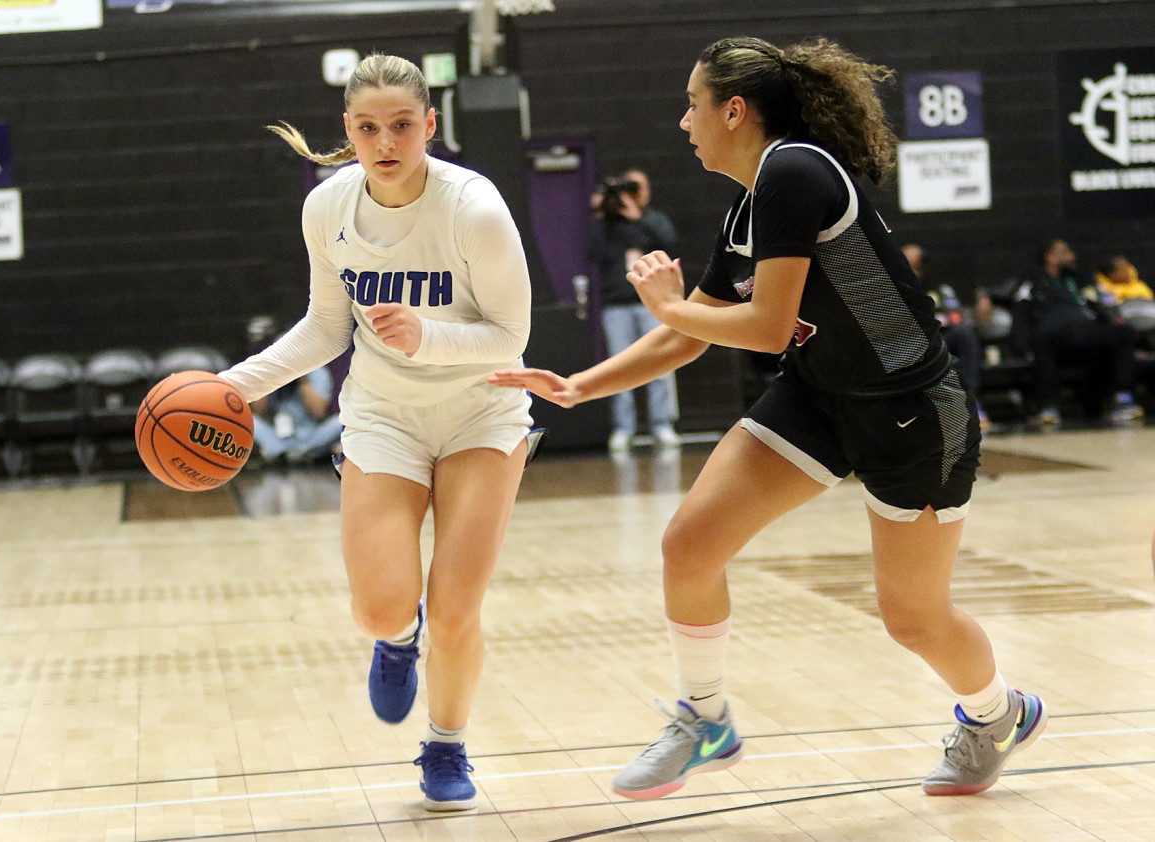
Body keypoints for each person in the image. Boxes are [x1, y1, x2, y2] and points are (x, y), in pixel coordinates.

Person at [490, 35, 1046, 801]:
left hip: (911, 412)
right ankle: (705, 719)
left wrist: (668, 302)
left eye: (693, 104)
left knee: (913, 618)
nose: (684, 121)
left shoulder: (795, 169)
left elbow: (766, 325)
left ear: (735, 109)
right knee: (689, 545)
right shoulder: (751, 206)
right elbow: (691, 334)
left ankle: (998, 714)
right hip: (818, 397)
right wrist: (582, 385)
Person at [218, 53, 536, 812]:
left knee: (457, 609)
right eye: (368, 128)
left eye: (402, 125)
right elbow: (326, 328)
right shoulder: (328, 208)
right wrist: (235, 386)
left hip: (480, 413)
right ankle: (396, 640)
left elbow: (512, 333)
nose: (386, 141)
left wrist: (429, 336)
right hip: (385, 418)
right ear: (349, 132)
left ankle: (446, 745)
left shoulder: (475, 208)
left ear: (430, 125)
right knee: (381, 608)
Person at [590, 168, 682, 451]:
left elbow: (669, 244)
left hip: (654, 305)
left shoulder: (653, 220)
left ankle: (661, 425)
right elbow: (593, 253)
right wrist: (602, 213)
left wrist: (637, 218)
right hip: (617, 305)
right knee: (620, 366)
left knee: (660, 364)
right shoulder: (607, 224)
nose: (634, 193)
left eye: (638, 187)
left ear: (647, 192)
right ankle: (623, 428)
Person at [1012, 239, 1143, 427]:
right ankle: (1049, 407)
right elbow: (1021, 316)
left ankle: (1123, 399)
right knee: (1041, 340)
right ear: (1049, 257)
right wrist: (1021, 347)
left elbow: (1103, 308)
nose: (1071, 256)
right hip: (1056, 339)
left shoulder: (1082, 280)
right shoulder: (1033, 283)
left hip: (1087, 333)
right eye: (1065, 252)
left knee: (1122, 332)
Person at [902, 243, 989, 430]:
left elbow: (954, 315)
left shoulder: (939, 289)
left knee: (965, 331)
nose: (912, 270)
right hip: (910, 344)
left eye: (916, 266)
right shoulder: (891, 290)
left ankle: (971, 400)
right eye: (907, 265)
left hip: (941, 338)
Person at [250, 365, 343, 465]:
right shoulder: (271, 370)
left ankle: (299, 454)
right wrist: (268, 381)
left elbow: (318, 412)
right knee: (251, 421)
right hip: (275, 437)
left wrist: (302, 379)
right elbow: (258, 412)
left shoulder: (318, 372)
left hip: (309, 437)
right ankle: (280, 453)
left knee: (338, 422)